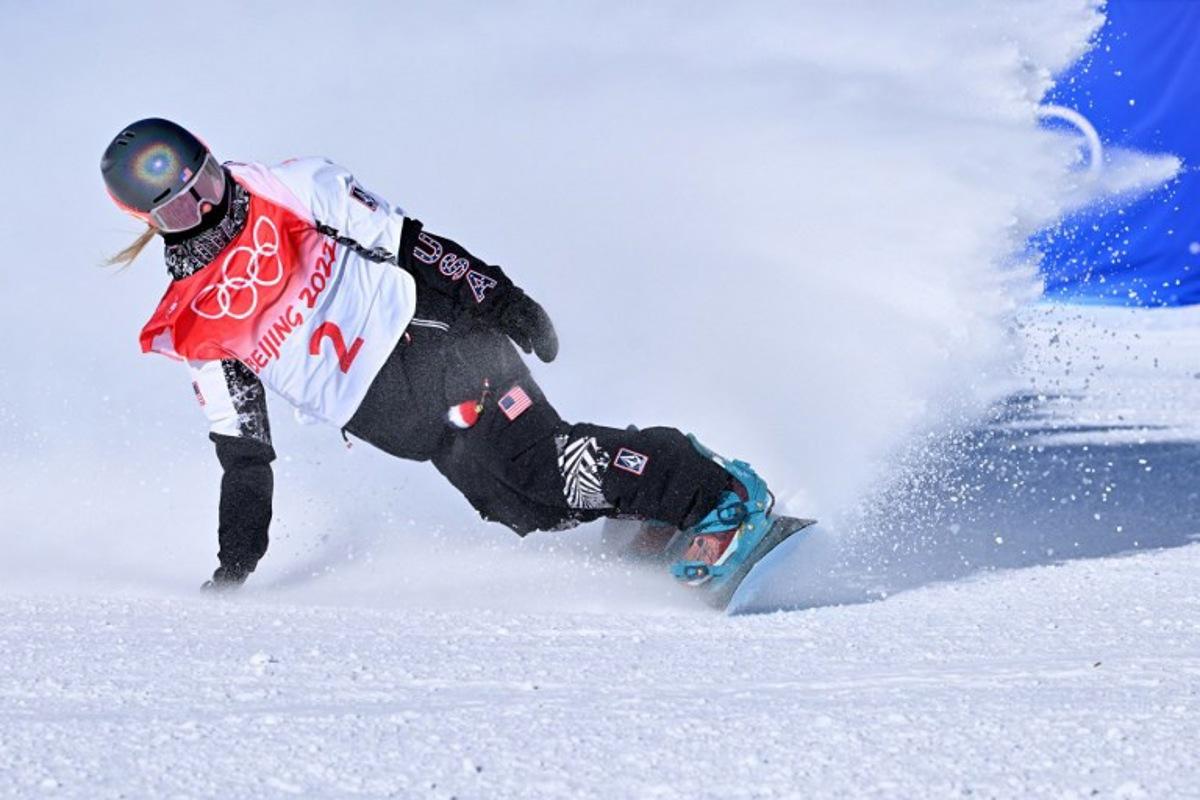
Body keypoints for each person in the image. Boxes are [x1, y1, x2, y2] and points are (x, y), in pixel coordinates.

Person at [100, 117, 787, 597]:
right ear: (151, 224)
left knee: (542, 466)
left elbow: (416, 248)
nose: (210, 206)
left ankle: (712, 493)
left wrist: (504, 300)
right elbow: (245, 454)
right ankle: (650, 501)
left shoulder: (291, 189)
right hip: (411, 426)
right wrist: (236, 564)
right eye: (186, 208)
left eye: (210, 182)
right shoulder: (196, 326)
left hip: (437, 344)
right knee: (522, 507)